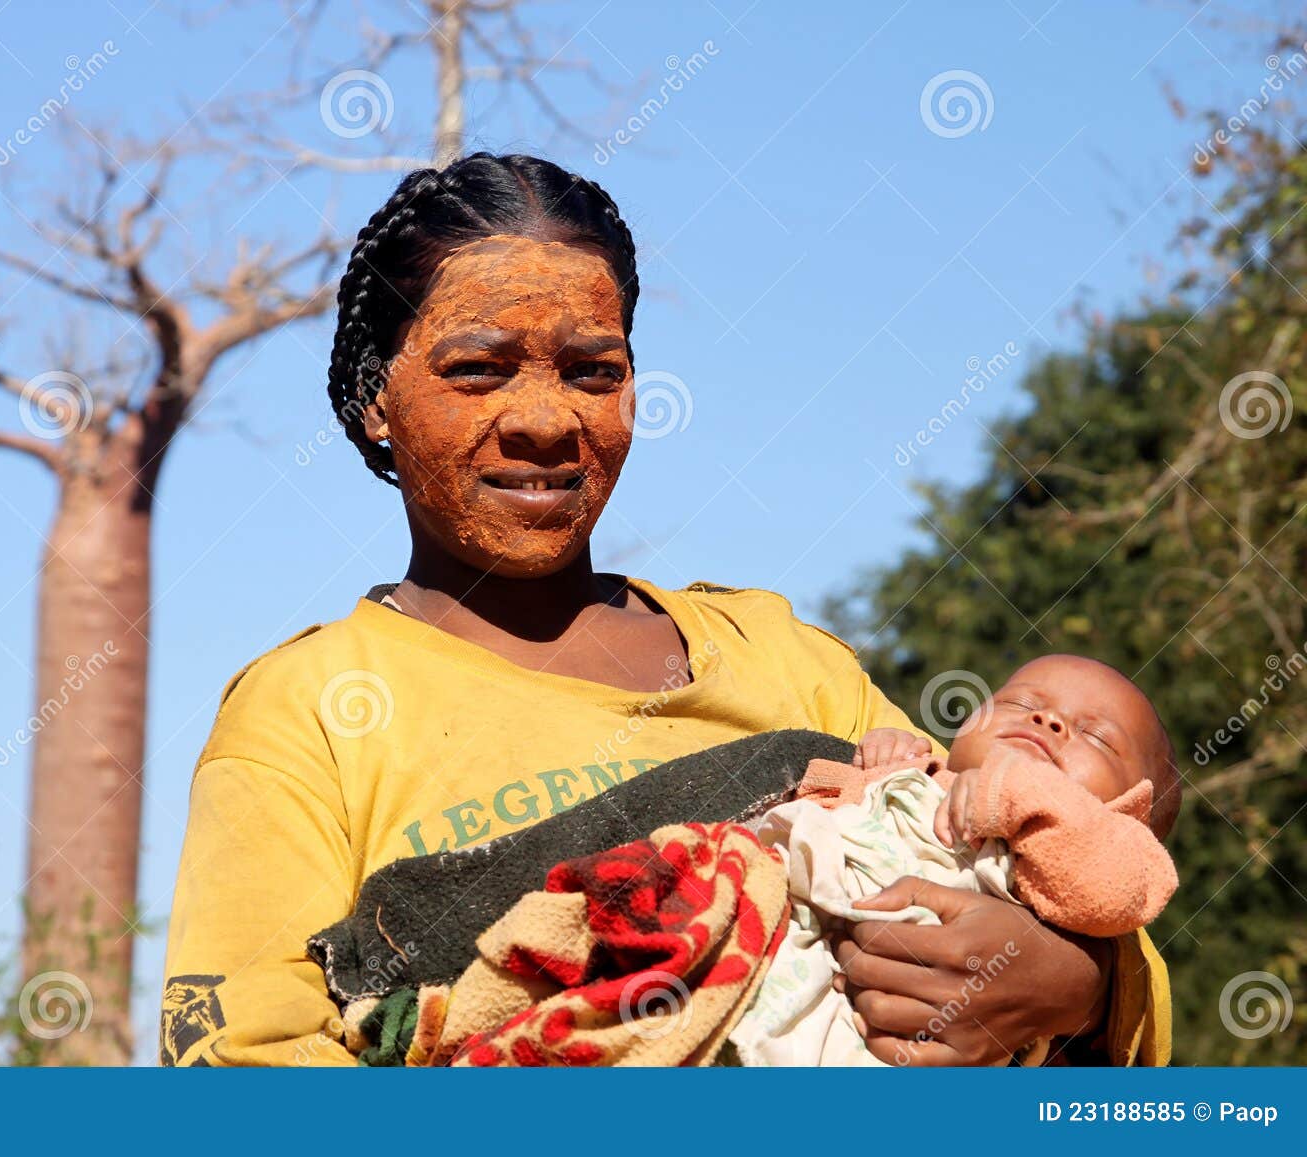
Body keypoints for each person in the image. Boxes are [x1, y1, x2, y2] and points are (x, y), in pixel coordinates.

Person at [159, 152, 1170, 1068]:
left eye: (593, 370)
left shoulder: (779, 654)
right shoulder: (309, 709)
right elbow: (240, 1061)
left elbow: (1034, 860)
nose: (547, 420)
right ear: (378, 398)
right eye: (477, 368)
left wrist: (1080, 987)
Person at [730, 654, 1180, 1066]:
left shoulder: (1103, 847)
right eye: (1019, 703)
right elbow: (817, 803)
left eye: (1098, 737)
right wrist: (879, 764)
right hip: (791, 961)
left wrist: (1016, 791)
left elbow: (1115, 892)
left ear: (1132, 808)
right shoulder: (924, 778)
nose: (1047, 719)